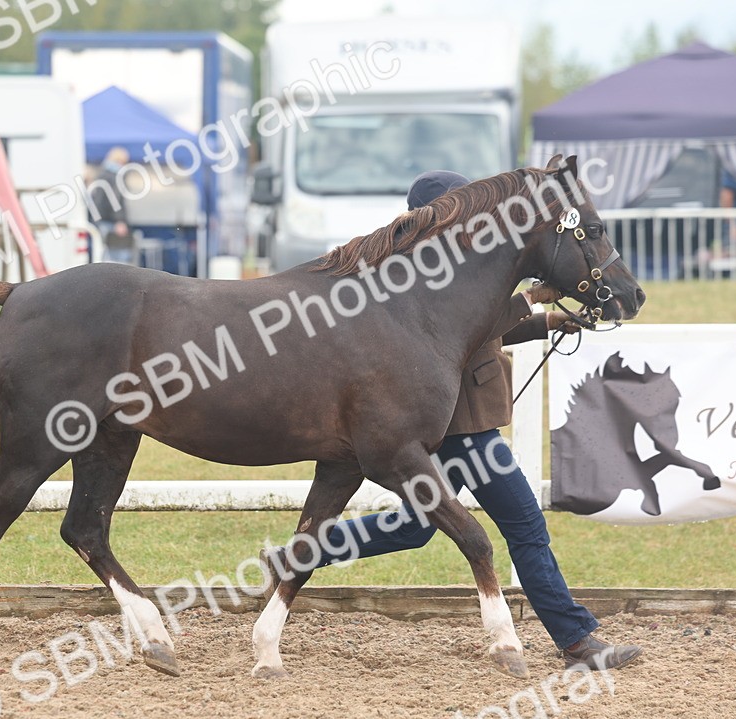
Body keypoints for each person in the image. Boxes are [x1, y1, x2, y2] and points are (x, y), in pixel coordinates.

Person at [260, 170, 643, 672]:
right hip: (463, 428)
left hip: (454, 422)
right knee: (525, 525)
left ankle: (300, 555)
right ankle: (575, 640)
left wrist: (548, 319)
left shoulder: (447, 269)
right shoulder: (439, 273)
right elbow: (473, 327)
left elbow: (488, 326)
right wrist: (533, 300)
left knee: (416, 527)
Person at [89, 147, 135, 264]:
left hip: (100, 220)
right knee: (118, 258)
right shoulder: (115, 176)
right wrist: (119, 221)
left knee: (102, 254)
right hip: (111, 221)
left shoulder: (101, 173)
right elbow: (115, 201)